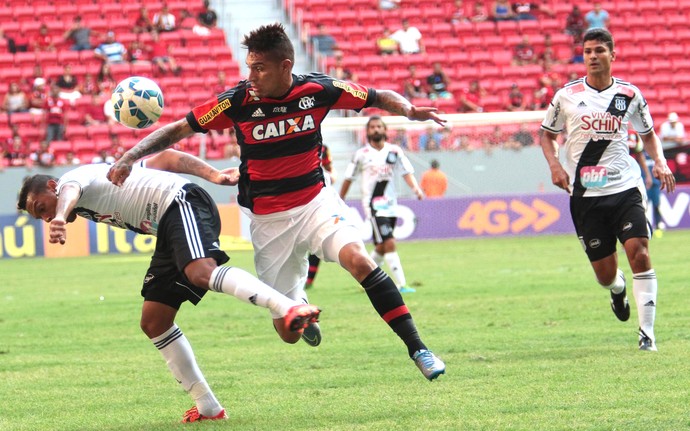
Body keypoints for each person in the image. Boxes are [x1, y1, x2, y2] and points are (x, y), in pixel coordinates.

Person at [107, 23, 446, 381]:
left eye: (259, 68)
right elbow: (178, 129)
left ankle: (418, 348)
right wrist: (130, 156)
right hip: (269, 222)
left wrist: (409, 110)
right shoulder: (236, 101)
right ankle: (299, 311)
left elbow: (377, 96)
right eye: (249, 67)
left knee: (359, 261)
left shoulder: (319, 90)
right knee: (287, 332)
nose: (250, 76)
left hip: (316, 203)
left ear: (285, 66)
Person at [17, 149, 321, 423]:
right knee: (154, 321)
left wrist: (58, 215)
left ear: (53, 188)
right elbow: (166, 159)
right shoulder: (98, 183)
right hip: (167, 228)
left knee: (201, 272)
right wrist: (213, 174)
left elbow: (70, 190)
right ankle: (209, 408)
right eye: (40, 216)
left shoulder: (72, 180)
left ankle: (289, 306)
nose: (46, 217)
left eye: (42, 207)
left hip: (180, 202)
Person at [539, 28, 676, 351]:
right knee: (605, 275)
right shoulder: (567, 96)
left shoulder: (629, 95)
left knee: (640, 251)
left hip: (625, 188)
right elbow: (546, 135)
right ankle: (618, 290)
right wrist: (555, 166)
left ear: (612, 56)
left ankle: (647, 335)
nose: (592, 57)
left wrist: (660, 162)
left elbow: (649, 134)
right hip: (586, 195)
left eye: (599, 50)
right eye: (587, 51)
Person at [340, 116, 424, 294]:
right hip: (373, 205)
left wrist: (415, 188)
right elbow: (349, 178)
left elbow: (406, 172)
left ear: (385, 130)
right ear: (367, 131)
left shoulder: (394, 151)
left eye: (379, 126)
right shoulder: (361, 154)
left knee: (381, 246)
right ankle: (402, 285)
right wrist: (340, 199)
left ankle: (364, 278)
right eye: (372, 127)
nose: (376, 129)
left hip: (391, 204)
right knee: (389, 242)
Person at [305, 144, 336, 291]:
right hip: (303, 202)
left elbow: (331, 171)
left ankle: (308, 280)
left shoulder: (324, 148)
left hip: (321, 204)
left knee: (316, 244)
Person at [628, 131, 664, 236]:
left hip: (653, 183)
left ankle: (657, 226)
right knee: (640, 206)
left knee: (656, 204)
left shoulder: (653, 155)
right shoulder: (639, 154)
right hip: (637, 181)